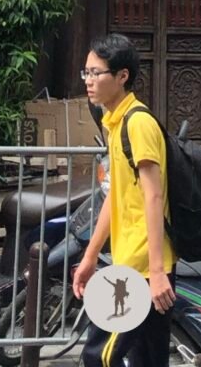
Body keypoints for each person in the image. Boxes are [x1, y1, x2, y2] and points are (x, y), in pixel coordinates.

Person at [72, 33, 176, 367]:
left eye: (95, 73)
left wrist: (157, 272)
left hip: (141, 267)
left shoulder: (138, 123)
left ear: (122, 76)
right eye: (85, 73)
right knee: (148, 359)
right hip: (132, 261)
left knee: (99, 356)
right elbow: (115, 198)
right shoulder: (115, 123)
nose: (89, 81)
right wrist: (90, 257)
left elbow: (154, 196)